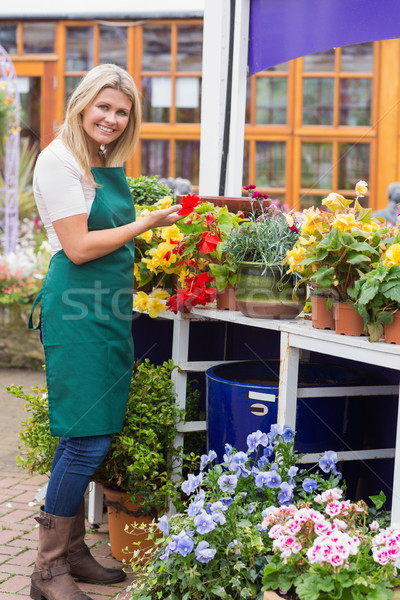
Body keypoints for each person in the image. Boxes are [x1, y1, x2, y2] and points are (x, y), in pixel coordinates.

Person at [28, 64, 184, 600]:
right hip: (76, 307)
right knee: (87, 435)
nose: (113, 119)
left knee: (83, 430)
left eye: (123, 112)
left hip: (105, 307)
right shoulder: (59, 160)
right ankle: (47, 571)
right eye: (105, 107)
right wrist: (147, 224)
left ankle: (71, 553)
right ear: (81, 104)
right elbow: (78, 246)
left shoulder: (97, 162)